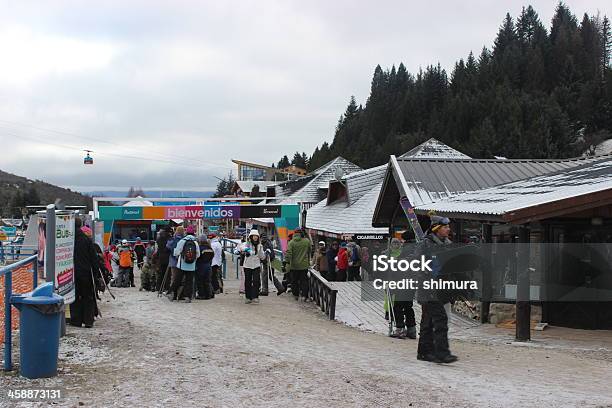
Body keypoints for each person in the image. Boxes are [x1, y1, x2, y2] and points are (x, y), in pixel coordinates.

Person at [416, 215, 458, 364]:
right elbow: (419, 265)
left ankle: (424, 352)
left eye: (448, 227)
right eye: (445, 227)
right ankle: (442, 352)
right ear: (437, 229)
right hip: (429, 288)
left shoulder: (447, 244)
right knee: (440, 319)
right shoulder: (426, 244)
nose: (448, 229)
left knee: (428, 321)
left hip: (442, 287)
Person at [385, 238, 417, 339]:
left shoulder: (402, 255)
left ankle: (400, 328)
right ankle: (412, 330)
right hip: (410, 284)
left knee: (397, 306)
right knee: (408, 306)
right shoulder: (415, 253)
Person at [71, 218, 100, 328]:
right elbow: (94, 259)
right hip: (86, 272)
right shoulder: (86, 240)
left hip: (72, 273)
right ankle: (88, 320)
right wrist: (95, 273)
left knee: (75, 296)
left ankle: (76, 320)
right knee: (88, 296)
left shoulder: (68, 240)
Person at [168, 225, 200, 302]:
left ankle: (172, 293)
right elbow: (198, 254)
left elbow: (176, 253)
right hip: (192, 265)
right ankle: (187, 296)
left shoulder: (182, 241)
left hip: (181, 264)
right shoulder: (195, 242)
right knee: (189, 281)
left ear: (186, 232)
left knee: (177, 280)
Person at [237, 229, 266, 304]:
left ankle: (255, 297)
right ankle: (248, 297)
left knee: (256, 281)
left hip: (256, 265)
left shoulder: (260, 245)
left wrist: (265, 254)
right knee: (248, 281)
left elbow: (261, 256)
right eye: (254, 236)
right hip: (247, 265)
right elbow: (240, 248)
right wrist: (247, 249)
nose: (255, 238)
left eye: (256, 236)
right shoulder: (246, 244)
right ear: (251, 237)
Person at [283, 228, 311, 301]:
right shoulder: (307, 241)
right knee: (304, 281)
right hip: (304, 265)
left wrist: (286, 262)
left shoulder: (291, 242)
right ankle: (304, 296)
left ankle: (296, 295)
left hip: (294, 266)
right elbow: (310, 250)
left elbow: (289, 253)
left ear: (294, 233)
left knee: (294, 281)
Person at [166, 226, 185, 293]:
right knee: (181, 278)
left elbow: (167, 246)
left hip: (173, 261)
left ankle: (172, 292)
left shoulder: (173, 239)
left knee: (173, 277)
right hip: (182, 261)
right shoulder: (184, 239)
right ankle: (180, 293)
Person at [195, 235, 215, 299]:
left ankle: (201, 294)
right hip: (208, 266)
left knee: (200, 281)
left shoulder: (199, 248)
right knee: (207, 281)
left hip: (200, 266)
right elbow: (212, 256)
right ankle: (208, 294)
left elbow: (197, 256)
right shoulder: (210, 248)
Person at [259, 232, 275, 296]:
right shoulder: (269, 241)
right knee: (270, 276)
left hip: (267, 261)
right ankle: (280, 288)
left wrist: (262, 260)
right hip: (272, 260)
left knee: (264, 275)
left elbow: (263, 253)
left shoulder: (264, 243)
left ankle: (265, 290)